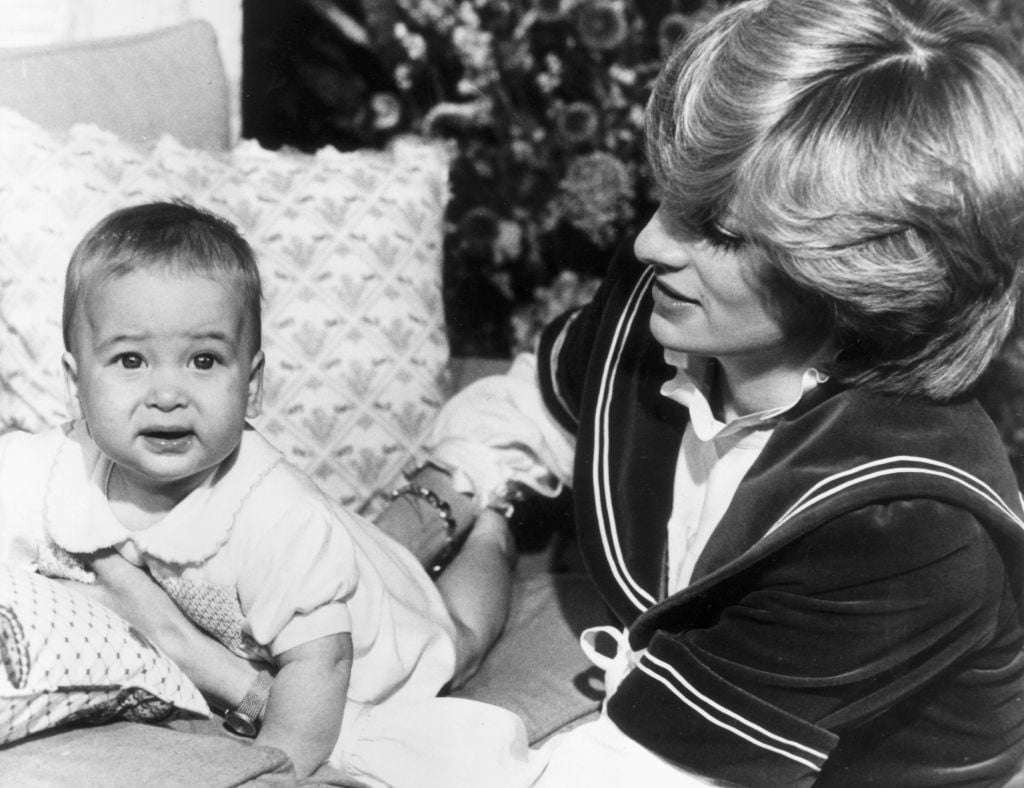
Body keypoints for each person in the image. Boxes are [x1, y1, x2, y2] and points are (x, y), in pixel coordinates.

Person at [407, 0, 1024, 784]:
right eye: (670, 196)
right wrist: (439, 501)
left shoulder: (901, 523)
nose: (650, 242)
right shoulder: (679, 310)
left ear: (857, 273)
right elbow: (543, 398)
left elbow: (634, 774)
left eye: (723, 233)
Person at [0, 201, 524, 784]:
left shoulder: (275, 517)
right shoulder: (60, 463)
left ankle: (496, 526)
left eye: (204, 360)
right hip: (334, 562)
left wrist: (271, 769)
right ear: (76, 383)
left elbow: (321, 666)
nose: (168, 393)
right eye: (130, 360)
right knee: (367, 551)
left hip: (378, 645)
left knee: (457, 630)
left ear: (251, 385)